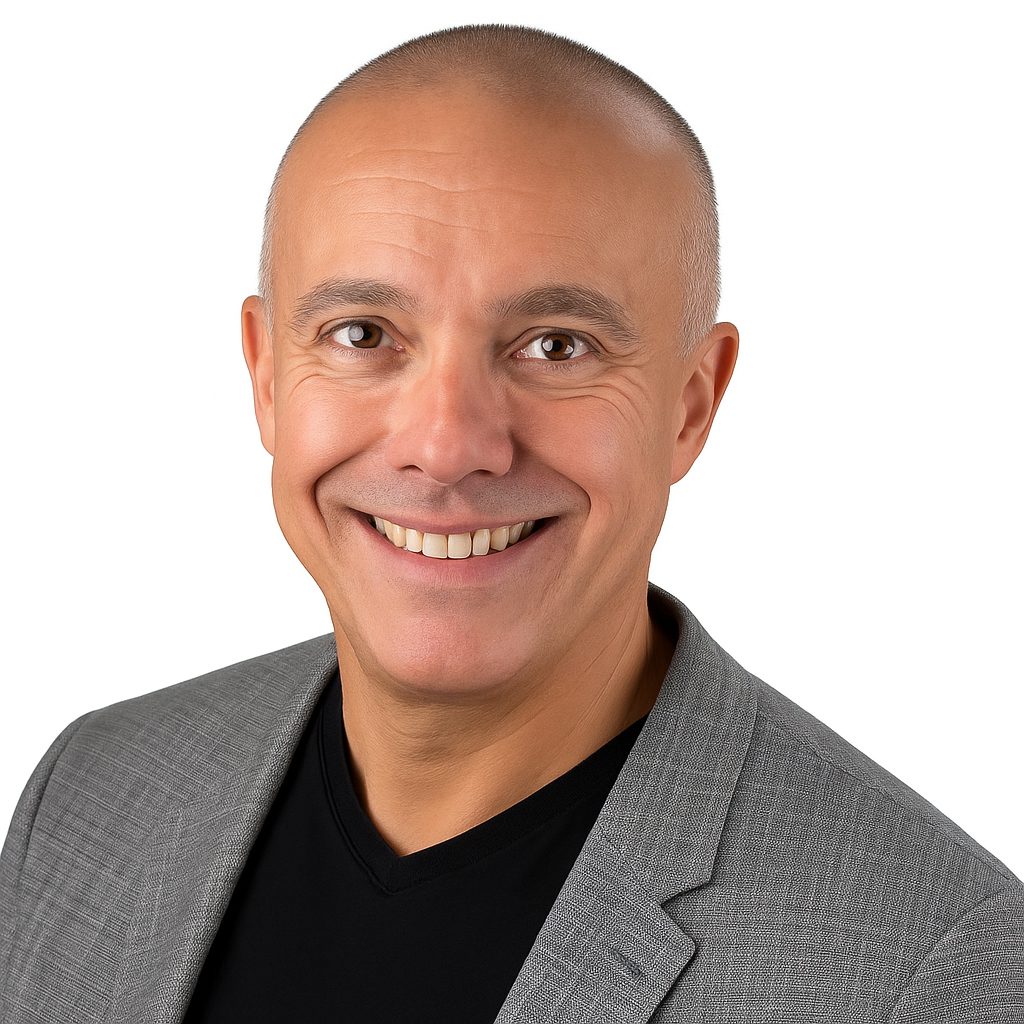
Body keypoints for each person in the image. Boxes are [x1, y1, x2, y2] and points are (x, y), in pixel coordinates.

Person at [1, 24, 1021, 1024]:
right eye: (362, 335)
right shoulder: (92, 792)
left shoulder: (931, 972)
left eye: (556, 345)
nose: (446, 446)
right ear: (266, 374)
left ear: (690, 403)